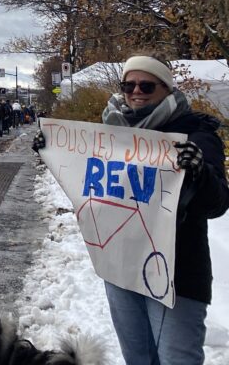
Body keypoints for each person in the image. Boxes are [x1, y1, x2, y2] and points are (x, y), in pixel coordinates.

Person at [33, 54, 229, 364]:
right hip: (121, 269)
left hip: (176, 276)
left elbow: (217, 203)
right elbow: (88, 184)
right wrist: (53, 150)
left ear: (166, 89)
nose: (136, 91)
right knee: (138, 359)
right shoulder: (110, 136)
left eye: (147, 86)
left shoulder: (195, 135)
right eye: (129, 85)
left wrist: (200, 171)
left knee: (177, 360)